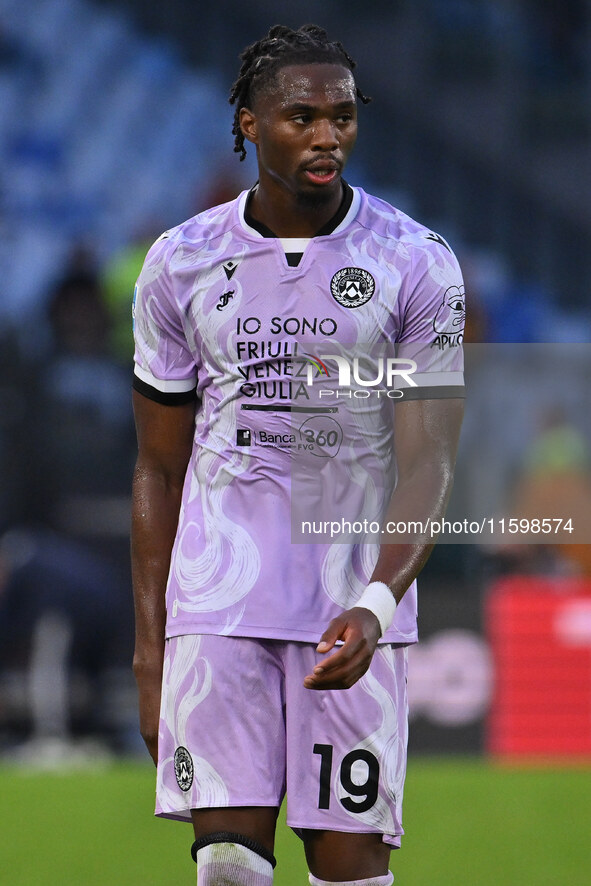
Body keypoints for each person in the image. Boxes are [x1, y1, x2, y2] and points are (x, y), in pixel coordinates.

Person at [131, 23, 465, 886]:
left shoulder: (414, 262)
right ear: (246, 124)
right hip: (218, 601)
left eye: (343, 117)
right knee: (229, 865)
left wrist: (380, 603)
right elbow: (157, 468)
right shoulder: (180, 263)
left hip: (347, 599)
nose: (326, 136)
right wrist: (149, 645)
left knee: (347, 865)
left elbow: (430, 462)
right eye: (300, 117)